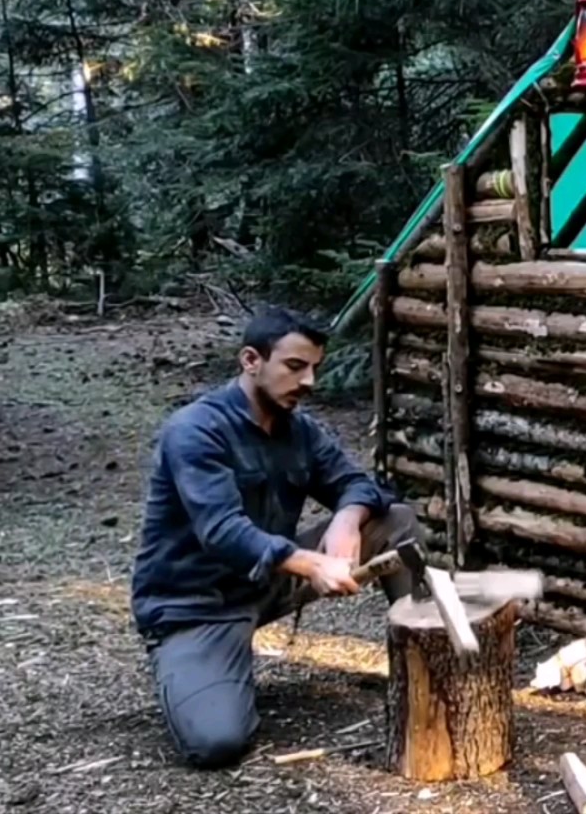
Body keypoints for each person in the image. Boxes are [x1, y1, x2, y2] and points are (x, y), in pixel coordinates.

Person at [129, 305, 420, 768]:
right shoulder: (196, 431)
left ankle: (424, 667)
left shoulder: (297, 428)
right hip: (197, 604)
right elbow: (222, 531)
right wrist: (312, 564)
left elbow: (359, 484)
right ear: (251, 360)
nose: (309, 382)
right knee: (217, 743)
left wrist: (347, 518)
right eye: (294, 366)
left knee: (397, 521)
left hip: (267, 581)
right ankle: (193, 666)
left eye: (314, 369)